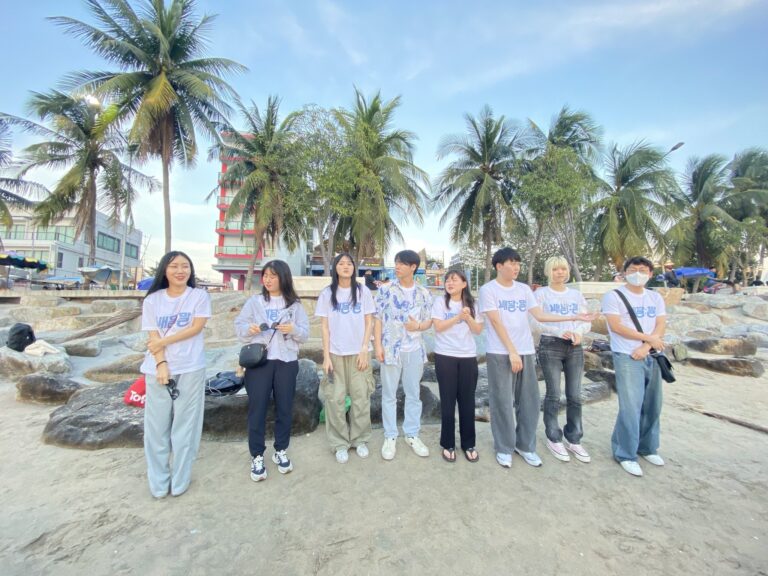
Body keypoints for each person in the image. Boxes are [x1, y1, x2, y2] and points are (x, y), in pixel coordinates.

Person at [479, 247, 593, 469]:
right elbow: (496, 322)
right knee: (502, 400)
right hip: (501, 351)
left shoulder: (523, 289)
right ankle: (504, 447)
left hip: (526, 350)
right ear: (499, 266)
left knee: (529, 400)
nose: (516, 268)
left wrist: (574, 316)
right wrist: (512, 351)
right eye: (511, 263)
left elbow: (539, 315)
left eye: (518, 264)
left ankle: (525, 445)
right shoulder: (488, 290)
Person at [140, 251, 211, 498]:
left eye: (185, 266)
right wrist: (161, 363)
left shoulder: (199, 296)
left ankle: (180, 479)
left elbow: (196, 327)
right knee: (156, 428)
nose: (180, 271)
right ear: (164, 270)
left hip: (191, 367)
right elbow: (152, 335)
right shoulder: (152, 301)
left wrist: (163, 342)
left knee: (186, 427)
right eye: (174, 266)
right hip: (157, 369)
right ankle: (158, 482)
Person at [235, 260, 309, 482]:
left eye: (273, 275)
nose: (267, 279)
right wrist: (250, 329)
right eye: (265, 275)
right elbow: (239, 328)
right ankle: (257, 455)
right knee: (257, 409)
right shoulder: (255, 302)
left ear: (283, 278)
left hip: (287, 361)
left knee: (285, 407)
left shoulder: (294, 305)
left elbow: (305, 334)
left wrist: (293, 329)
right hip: (260, 362)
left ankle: (280, 450)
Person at [601, 256, 667, 477]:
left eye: (642, 269)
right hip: (627, 355)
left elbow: (661, 323)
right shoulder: (614, 296)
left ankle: (647, 447)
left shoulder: (655, 297)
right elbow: (616, 326)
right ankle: (625, 453)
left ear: (650, 274)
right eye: (633, 269)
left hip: (652, 354)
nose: (637, 273)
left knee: (652, 403)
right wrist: (644, 342)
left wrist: (647, 345)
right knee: (631, 405)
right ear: (624, 272)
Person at [530, 256, 592, 464]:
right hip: (551, 346)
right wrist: (559, 331)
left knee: (574, 395)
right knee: (554, 394)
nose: (560, 273)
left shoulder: (576, 295)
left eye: (563, 269)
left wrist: (579, 334)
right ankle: (553, 436)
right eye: (556, 269)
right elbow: (535, 323)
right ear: (549, 271)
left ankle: (574, 438)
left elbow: (585, 320)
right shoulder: (541, 294)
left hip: (575, 347)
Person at [316, 253, 376, 464]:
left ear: (354, 268)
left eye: (349, 263)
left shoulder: (363, 291)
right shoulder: (326, 294)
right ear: (335, 268)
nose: (346, 266)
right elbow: (323, 327)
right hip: (335, 354)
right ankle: (340, 443)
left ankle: (360, 439)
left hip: (359, 354)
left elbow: (369, 322)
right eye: (341, 263)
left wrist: (363, 349)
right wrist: (326, 357)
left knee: (361, 397)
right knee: (335, 399)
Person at [374, 250, 433, 460]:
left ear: (413, 267)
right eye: (396, 263)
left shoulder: (424, 294)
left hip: (415, 350)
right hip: (391, 349)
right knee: (389, 394)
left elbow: (429, 321)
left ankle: (412, 434)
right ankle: (390, 436)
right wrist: (378, 346)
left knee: (413, 394)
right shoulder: (386, 290)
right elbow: (378, 318)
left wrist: (417, 325)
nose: (397, 266)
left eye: (402, 263)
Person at [431, 269, 484, 463]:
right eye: (447, 280)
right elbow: (438, 327)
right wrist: (457, 317)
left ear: (464, 283)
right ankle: (448, 444)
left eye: (454, 280)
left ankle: (468, 443)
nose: (449, 283)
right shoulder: (440, 302)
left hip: (468, 357)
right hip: (445, 356)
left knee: (467, 402)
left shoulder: (473, 304)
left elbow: (478, 330)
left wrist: (468, 316)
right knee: (447, 403)